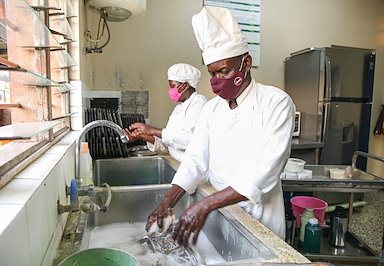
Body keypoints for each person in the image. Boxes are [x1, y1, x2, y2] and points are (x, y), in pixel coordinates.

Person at [145, 6, 295, 246]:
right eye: (212, 73)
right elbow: (194, 160)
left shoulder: (276, 103)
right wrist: (167, 203)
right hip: (223, 213)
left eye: (224, 71)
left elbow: (263, 172)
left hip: (259, 221)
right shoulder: (211, 109)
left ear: (246, 63)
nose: (216, 82)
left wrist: (205, 204)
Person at [125, 63, 208, 162]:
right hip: (180, 163)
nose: (170, 90)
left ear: (185, 85)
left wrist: (152, 130)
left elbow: (188, 139)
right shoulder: (179, 108)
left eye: (173, 86)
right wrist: (141, 135)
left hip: (194, 166)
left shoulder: (199, 103)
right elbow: (169, 144)